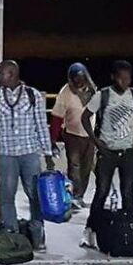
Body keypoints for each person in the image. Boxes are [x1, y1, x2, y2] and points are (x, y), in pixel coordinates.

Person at [0, 60, 53, 252]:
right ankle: (11, 234)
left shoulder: (33, 95)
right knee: (6, 195)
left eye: (1, 73)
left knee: (34, 195)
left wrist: (47, 153)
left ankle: (38, 234)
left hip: (29, 153)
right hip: (6, 155)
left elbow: (41, 124)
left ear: (11, 74)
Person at [80, 60, 133, 249]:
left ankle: (130, 231)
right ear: (113, 77)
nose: (124, 81)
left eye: (128, 78)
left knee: (128, 192)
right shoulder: (103, 95)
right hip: (107, 151)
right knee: (102, 191)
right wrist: (96, 141)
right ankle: (90, 231)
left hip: (128, 152)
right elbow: (85, 117)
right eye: (121, 77)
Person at [50, 62, 97, 210]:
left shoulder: (92, 90)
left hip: (90, 136)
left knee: (86, 167)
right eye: (75, 78)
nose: (79, 81)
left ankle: (80, 196)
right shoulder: (65, 93)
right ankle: (73, 196)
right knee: (74, 167)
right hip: (72, 135)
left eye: (82, 78)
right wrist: (52, 140)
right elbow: (57, 118)